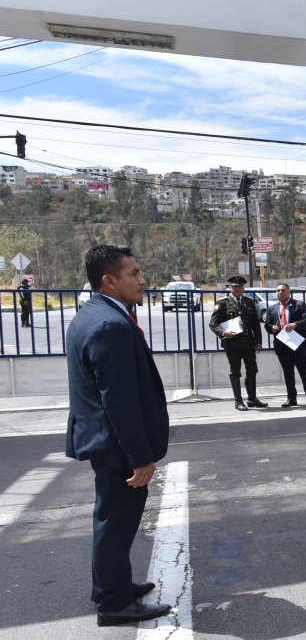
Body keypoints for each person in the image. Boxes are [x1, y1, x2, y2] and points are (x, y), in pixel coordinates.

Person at [66, 245, 171, 626]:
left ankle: (111, 585)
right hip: (116, 446)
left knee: (112, 519)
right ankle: (113, 603)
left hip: (103, 439)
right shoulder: (109, 325)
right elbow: (119, 400)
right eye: (134, 274)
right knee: (116, 524)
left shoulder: (93, 315)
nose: (142, 280)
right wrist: (140, 457)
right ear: (109, 281)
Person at [208, 275, 266, 411]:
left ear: (243, 288)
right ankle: (238, 401)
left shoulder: (249, 302)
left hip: (248, 342)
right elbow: (213, 323)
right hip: (232, 343)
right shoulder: (223, 303)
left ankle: (252, 399)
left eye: (240, 287)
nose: (238, 289)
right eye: (235, 287)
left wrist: (258, 342)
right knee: (235, 371)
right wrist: (224, 333)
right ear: (230, 288)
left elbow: (255, 324)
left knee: (252, 370)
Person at [263, 283, 306, 408]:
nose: (280, 293)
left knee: (305, 372)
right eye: (278, 291)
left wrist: (295, 324)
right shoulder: (272, 308)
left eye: (283, 290)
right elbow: (267, 325)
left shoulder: (299, 304)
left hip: (298, 345)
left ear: (289, 292)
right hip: (282, 346)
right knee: (288, 374)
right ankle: (291, 399)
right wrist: (271, 327)